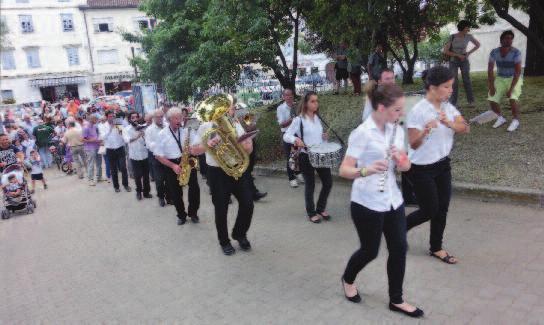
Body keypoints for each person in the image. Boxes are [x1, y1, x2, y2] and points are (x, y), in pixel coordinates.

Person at [339, 82, 423, 318]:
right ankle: (347, 278)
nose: (401, 114)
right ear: (380, 107)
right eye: (397, 110)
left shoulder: (395, 130)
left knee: (399, 248)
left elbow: (405, 166)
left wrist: (403, 162)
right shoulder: (362, 133)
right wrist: (365, 170)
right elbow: (344, 170)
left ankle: (396, 300)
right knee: (370, 251)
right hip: (366, 203)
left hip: (393, 200)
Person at [405, 66, 469, 264]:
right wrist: (426, 129)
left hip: (442, 165)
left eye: (452, 86)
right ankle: (398, 228)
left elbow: (465, 127)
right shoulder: (417, 111)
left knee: (442, 209)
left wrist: (449, 123)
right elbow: (413, 143)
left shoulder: (448, 107)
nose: (451, 90)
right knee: (429, 210)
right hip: (421, 168)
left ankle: (436, 248)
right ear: (432, 87)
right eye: (447, 86)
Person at [192, 95, 255, 255]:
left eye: (231, 107)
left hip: (237, 169)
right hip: (217, 172)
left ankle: (239, 234)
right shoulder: (205, 127)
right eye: (228, 108)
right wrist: (207, 145)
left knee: (248, 203)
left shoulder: (235, 123)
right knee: (221, 209)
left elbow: (248, 148)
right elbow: (194, 150)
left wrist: (247, 145)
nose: (229, 110)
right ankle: (224, 241)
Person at [283, 91, 332, 224]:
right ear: (305, 103)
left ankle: (320, 208)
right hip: (306, 156)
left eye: (317, 101)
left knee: (328, 182)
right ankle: (311, 212)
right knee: (310, 185)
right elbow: (286, 136)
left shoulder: (317, 118)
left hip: (320, 155)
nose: (316, 103)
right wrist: (296, 139)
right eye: (313, 101)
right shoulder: (299, 119)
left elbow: (318, 137)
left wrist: (324, 138)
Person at [154, 108, 199, 225]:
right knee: (176, 193)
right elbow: (158, 156)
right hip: (172, 164)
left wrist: (193, 149)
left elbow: (197, 144)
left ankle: (193, 212)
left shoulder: (187, 131)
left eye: (181, 117)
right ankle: (181, 215)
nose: (180, 120)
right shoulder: (161, 134)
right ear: (169, 120)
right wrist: (173, 166)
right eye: (177, 118)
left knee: (195, 189)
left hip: (187, 161)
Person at [488, 30, 523, 132]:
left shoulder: (516, 52)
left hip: (513, 78)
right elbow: (490, 69)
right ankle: (500, 118)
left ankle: (516, 120)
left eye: (511, 38)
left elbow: (517, 72)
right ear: (501, 39)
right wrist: (491, 85)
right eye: (507, 38)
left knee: (512, 97)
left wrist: (511, 88)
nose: (509, 40)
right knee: (492, 98)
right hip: (500, 77)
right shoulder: (494, 52)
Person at [443, 20, 480, 107]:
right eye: (467, 26)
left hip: (464, 60)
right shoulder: (452, 37)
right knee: (454, 82)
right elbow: (446, 51)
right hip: (453, 60)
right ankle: (453, 103)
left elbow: (478, 45)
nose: (468, 28)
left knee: (467, 80)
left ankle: (471, 101)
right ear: (463, 27)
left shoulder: (469, 36)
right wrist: (457, 55)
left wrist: (468, 53)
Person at [276, 89, 304, 188]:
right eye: (286, 95)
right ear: (283, 97)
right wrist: (292, 119)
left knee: (297, 155)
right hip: (287, 135)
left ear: (293, 95)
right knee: (290, 157)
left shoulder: (296, 106)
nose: (289, 97)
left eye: (290, 95)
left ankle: (298, 173)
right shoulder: (281, 108)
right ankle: (291, 178)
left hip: (297, 134)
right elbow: (281, 125)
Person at [99, 111, 131, 193]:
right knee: (113, 170)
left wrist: (127, 139)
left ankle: (126, 185)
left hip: (120, 148)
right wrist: (110, 129)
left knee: (123, 168)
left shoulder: (118, 125)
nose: (112, 118)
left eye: (113, 116)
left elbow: (123, 135)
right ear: (106, 117)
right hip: (110, 150)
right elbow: (103, 137)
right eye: (110, 116)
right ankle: (116, 186)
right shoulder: (103, 126)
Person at [123, 112, 152, 201]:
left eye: (136, 117)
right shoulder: (127, 129)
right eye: (133, 117)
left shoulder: (143, 127)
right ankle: (139, 192)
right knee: (137, 175)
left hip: (144, 154)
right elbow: (127, 140)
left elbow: (148, 140)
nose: (135, 119)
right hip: (134, 156)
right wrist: (137, 136)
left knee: (146, 175)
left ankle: (146, 192)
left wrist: (144, 135)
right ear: (129, 119)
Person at [145, 109, 169, 207]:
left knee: (168, 178)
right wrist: (160, 143)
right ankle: (161, 197)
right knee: (159, 179)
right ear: (154, 118)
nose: (160, 118)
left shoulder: (167, 126)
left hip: (167, 155)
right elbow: (148, 145)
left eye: (161, 116)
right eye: (158, 117)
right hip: (156, 156)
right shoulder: (149, 130)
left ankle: (169, 197)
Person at [82, 115, 103, 186]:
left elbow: (96, 136)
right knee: (91, 164)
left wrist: (99, 141)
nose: (97, 120)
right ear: (91, 119)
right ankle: (90, 179)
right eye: (95, 119)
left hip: (97, 146)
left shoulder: (94, 126)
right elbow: (82, 139)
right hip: (90, 148)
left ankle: (99, 177)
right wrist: (91, 140)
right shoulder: (86, 128)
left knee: (99, 162)